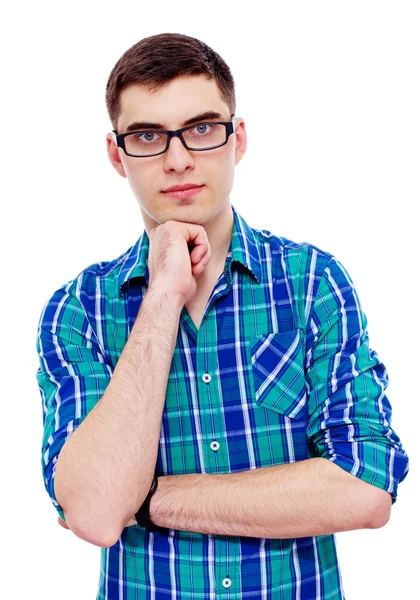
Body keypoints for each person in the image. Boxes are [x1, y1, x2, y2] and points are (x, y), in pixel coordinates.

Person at [35, 32, 409, 600]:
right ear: (117, 156)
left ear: (238, 139)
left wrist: (149, 498)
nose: (178, 158)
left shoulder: (312, 283)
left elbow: (366, 489)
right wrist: (161, 299)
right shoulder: (77, 312)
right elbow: (95, 513)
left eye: (202, 129)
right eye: (147, 136)